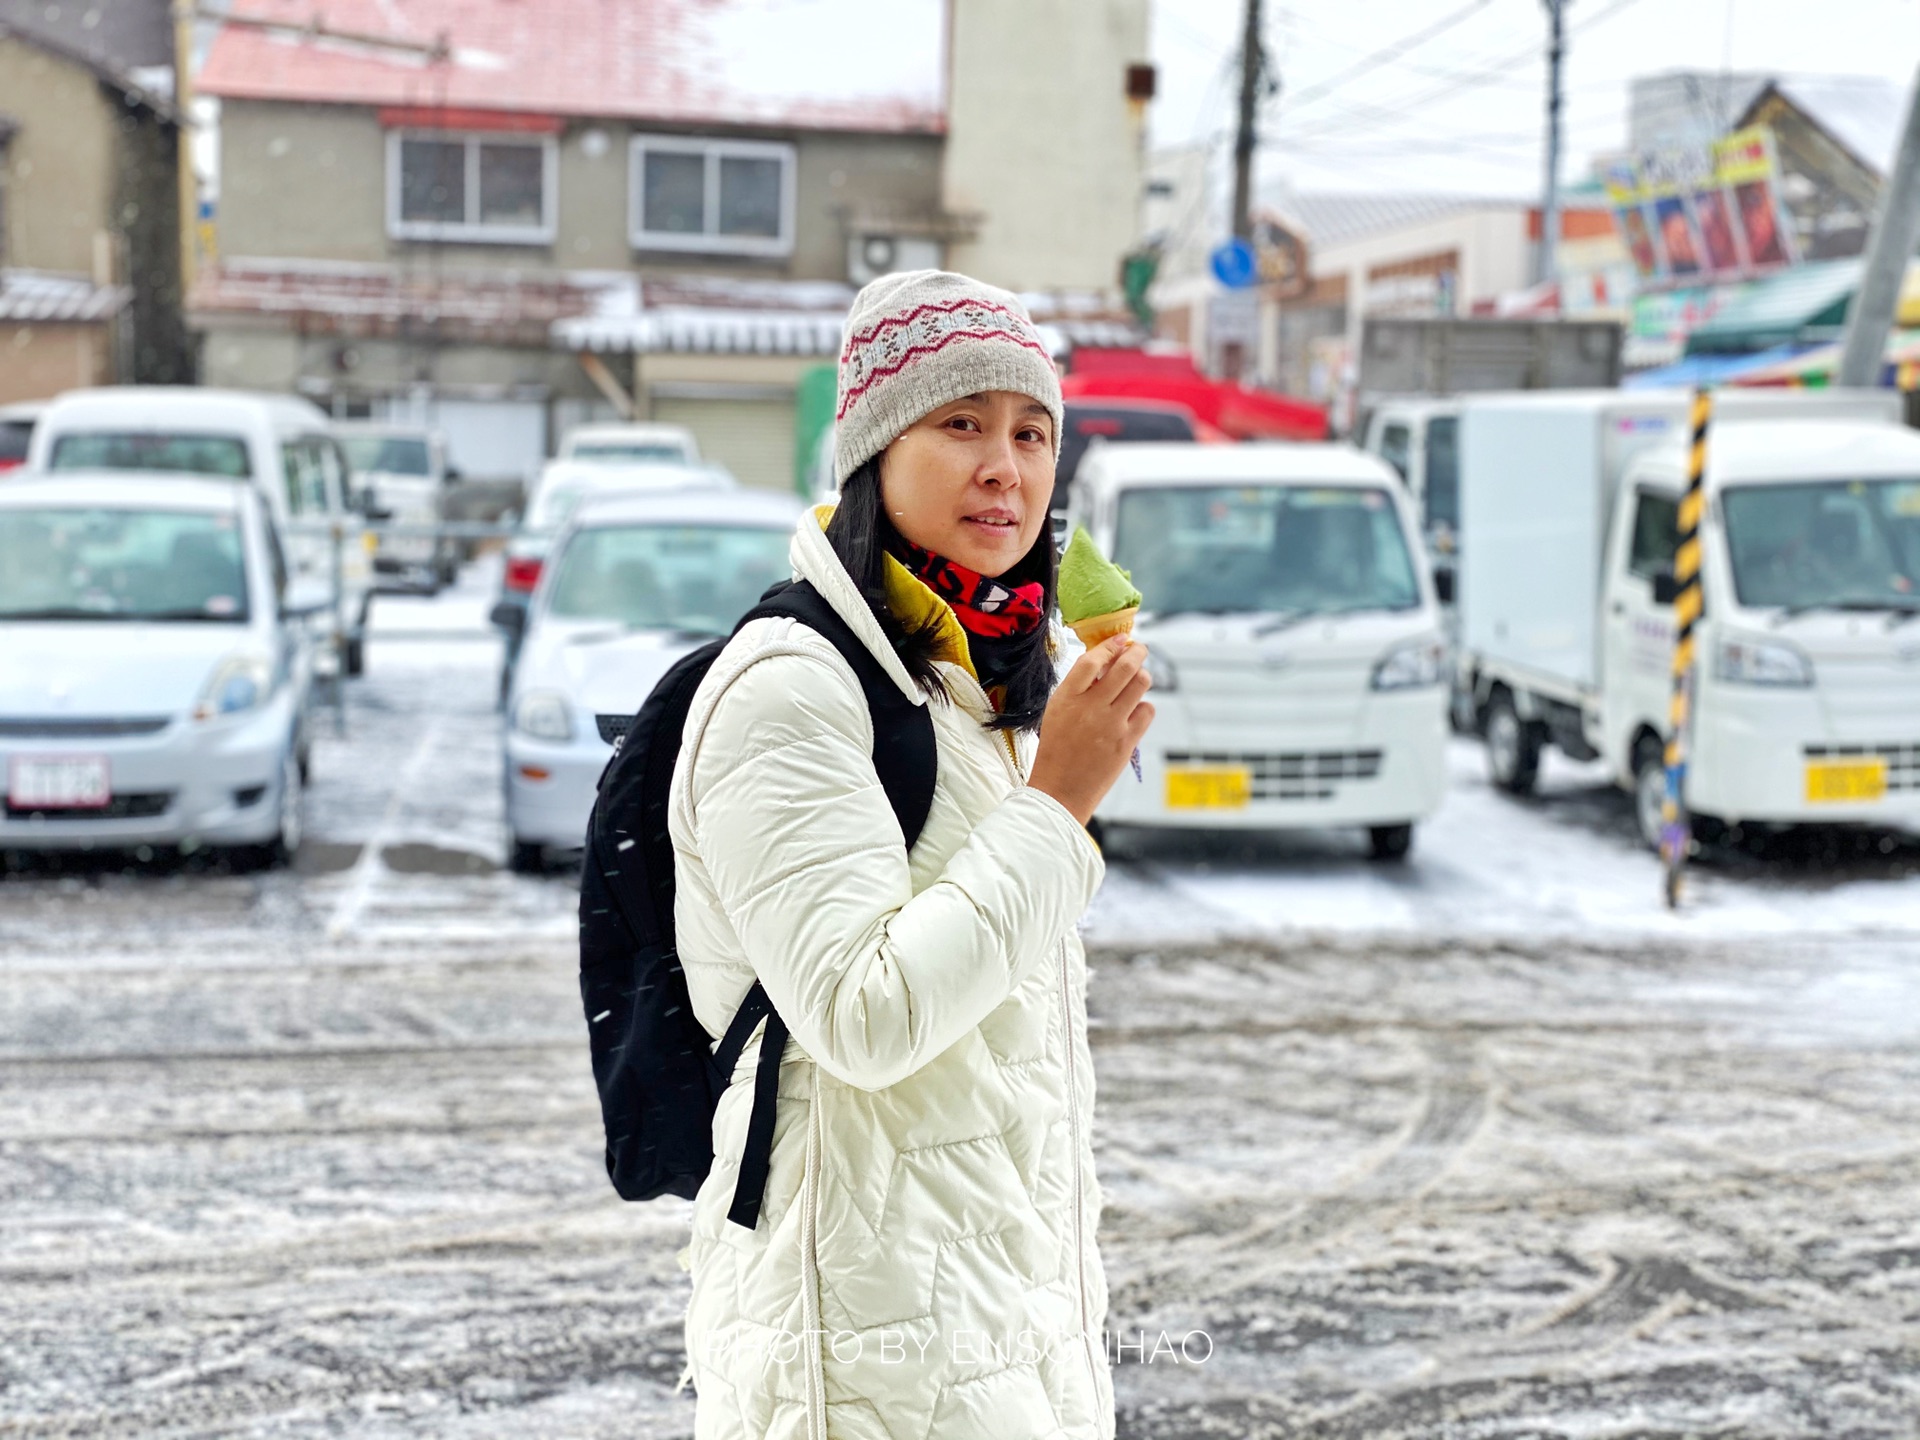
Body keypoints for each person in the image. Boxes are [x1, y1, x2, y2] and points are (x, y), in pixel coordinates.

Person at [666, 270, 1153, 1440]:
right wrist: (1056, 806)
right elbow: (862, 1015)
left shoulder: (971, 675)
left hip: (990, 1319)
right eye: (962, 424)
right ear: (875, 451)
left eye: (1033, 432)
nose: (1008, 466)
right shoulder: (793, 687)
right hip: (863, 1355)